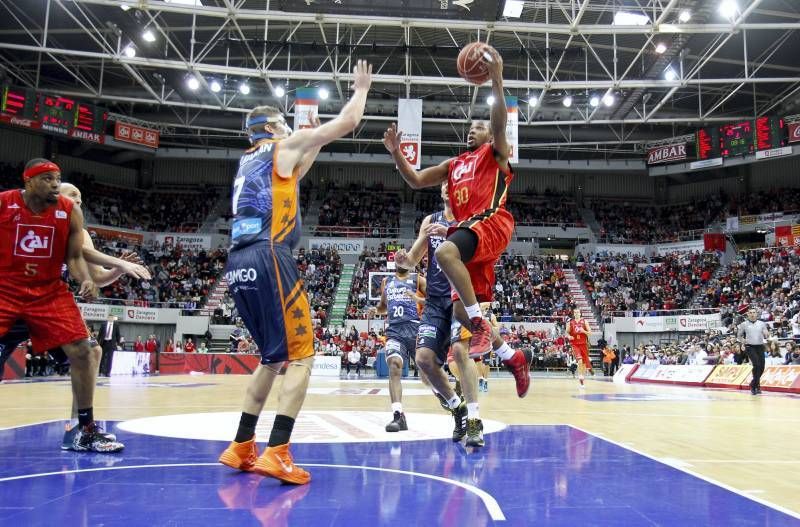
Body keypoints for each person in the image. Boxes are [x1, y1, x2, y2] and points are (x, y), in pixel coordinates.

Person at [218, 59, 373, 485]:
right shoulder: (279, 146)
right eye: (284, 126)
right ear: (271, 130)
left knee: (271, 358)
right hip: (270, 255)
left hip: (238, 262)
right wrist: (360, 89)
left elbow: (297, 171)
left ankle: (241, 445)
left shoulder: (250, 162)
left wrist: (312, 143)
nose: (290, 130)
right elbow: (350, 121)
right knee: (303, 355)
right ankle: (278, 451)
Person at [383, 44, 530, 398]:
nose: (473, 129)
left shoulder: (494, 154)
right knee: (462, 314)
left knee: (447, 254)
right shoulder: (453, 166)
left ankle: (480, 322)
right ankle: (513, 358)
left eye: (479, 126)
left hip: (491, 222)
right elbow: (416, 180)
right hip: (469, 238)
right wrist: (397, 155)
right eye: (471, 127)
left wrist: (495, 78)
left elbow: (499, 123)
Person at [0, 159, 124, 452]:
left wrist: (85, 281)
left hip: (47, 293)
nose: (55, 184)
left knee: (86, 350)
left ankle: (84, 430)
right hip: (6, 289)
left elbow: (75, 257)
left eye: (57, 178)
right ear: (28, 182)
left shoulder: (70, 212)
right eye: (47, 179)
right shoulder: (4, 203)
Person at [370, 267, 426, 432]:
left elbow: (437, 300)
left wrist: (417, 299)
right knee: (394, 366)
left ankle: (454, 405)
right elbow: (383, 307)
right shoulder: (387, 282)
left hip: (416, 328)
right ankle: (398, 415)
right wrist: (376, 310)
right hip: (395, 331)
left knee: (429, 375)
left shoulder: (418, 279)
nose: (401, 255)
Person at [737, 307, 769, 395]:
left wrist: (766, 334)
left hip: (760, 346)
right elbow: (739, 336)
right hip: (750, 346)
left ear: (756, 314)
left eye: (754, 312)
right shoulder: (744, 324)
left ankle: (754, 384)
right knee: (756, 364)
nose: (752, 314)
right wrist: (743, 341)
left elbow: (766, 332)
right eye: (750, 312)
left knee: (762, 367)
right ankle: (755, 386)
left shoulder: (762, 324)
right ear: (747, 314)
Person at [567, 308, 593, 389]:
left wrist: (583, 331)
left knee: (584, 363)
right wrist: (569, 336)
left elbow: (590, 333)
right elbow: (566, 332)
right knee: (580, 360)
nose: (577, 313)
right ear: (574, 314)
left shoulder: (585, 321)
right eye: (575, 312)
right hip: (575, 344)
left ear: (580, 313)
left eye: (578, 312)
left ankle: (583, 375)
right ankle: (581, 379)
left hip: (583, 344)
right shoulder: (570, 322)